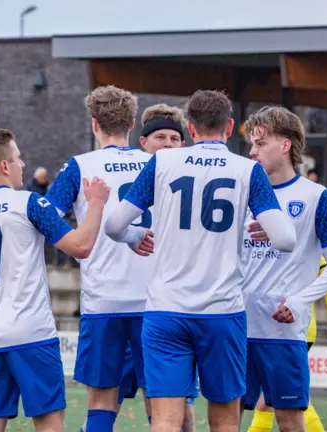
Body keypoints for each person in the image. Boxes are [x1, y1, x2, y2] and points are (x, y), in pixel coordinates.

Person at [104, 89, 296, 432]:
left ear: (190, 129)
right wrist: (267, 228)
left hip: (166, 309)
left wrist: (134, 237)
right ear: (230, 126)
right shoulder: (247, 170)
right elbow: (285, 239)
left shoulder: (161, 161)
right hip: (222, 312)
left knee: (164, 419)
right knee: (224, 420)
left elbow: (115, 224)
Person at [0, 128, 110, 432]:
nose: (22, 164)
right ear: (4, 166)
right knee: (49, 423)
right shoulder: (29, 203)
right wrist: (97, 203)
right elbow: (81, 247)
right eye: (18, 158)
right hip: (31, 333)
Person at [45, 85, 154, 432]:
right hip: (156, 302)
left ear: (94, 124)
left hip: (103, 302)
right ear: (133, 123)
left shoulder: (79, 167)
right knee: (164, 408)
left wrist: (76, 244)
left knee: (101, 406)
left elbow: (45, 217)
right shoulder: (157, 164)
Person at [240, 106, 327, 431]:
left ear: (285, 145)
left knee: (289, 422)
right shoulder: (239, 192)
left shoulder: (315, 197)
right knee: (226, 419)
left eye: (260, 143)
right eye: (252, 144)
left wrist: (299, 301)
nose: (252, 150)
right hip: (235, 326)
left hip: (283, 334)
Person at [114, 103, 197, 432]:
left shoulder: (192, 182)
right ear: (143, 142)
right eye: (159, 136)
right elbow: (104, 225)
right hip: (121, 302)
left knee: (175, 408)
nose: (167, 143)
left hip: (167, 305)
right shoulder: (119, 173)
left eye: (175, 138)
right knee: (105, 404)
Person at [246, 258, 327, 432]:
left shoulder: (307, 243)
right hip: (269, 331)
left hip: (294, 333)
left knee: (288, 403)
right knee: (270, 402)